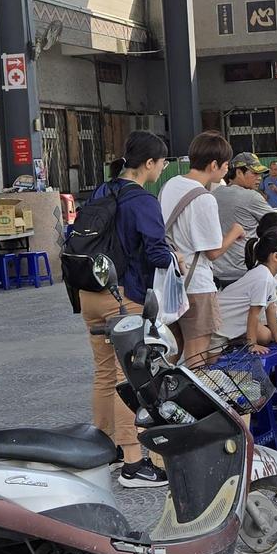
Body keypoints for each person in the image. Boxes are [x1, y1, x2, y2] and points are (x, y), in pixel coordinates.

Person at [76, 131, 174, 488]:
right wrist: (174, 258)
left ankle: (106, 451)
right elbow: (156, 252)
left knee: (104, 374)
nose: (162, 168)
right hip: (122, 295)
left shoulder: (102, 191)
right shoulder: (143, 200)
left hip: (89, 292)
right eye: (161, 162)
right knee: (127, 378)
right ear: (149, 163)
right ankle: (133, 462)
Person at [161, 131, 244, 367]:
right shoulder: (204, 198)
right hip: (196, 284)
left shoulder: (170, 185)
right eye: (226, 165)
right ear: (214, 165)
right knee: (197, 357)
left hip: (170, 282)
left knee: (171, 352)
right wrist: (235, 232)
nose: (226, 170)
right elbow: (213, 252)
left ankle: (162, 390)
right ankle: (191, 392)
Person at [213, 231, 277, 353]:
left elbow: (270, 308)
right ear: (276, 257)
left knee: (266, 336)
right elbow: (254, 314)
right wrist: (252, 345)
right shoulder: (263, 278)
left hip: (231, 321)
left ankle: (236, 342)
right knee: (210, 362)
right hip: (221, 323)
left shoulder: (266, 275)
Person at [211, 152, 274, 289]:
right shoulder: (251, 197)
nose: (259, 178)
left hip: (214, 272)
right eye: (254, 173)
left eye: (260, 174)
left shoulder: (213, 195)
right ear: (239, 172)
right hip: (243, 272)